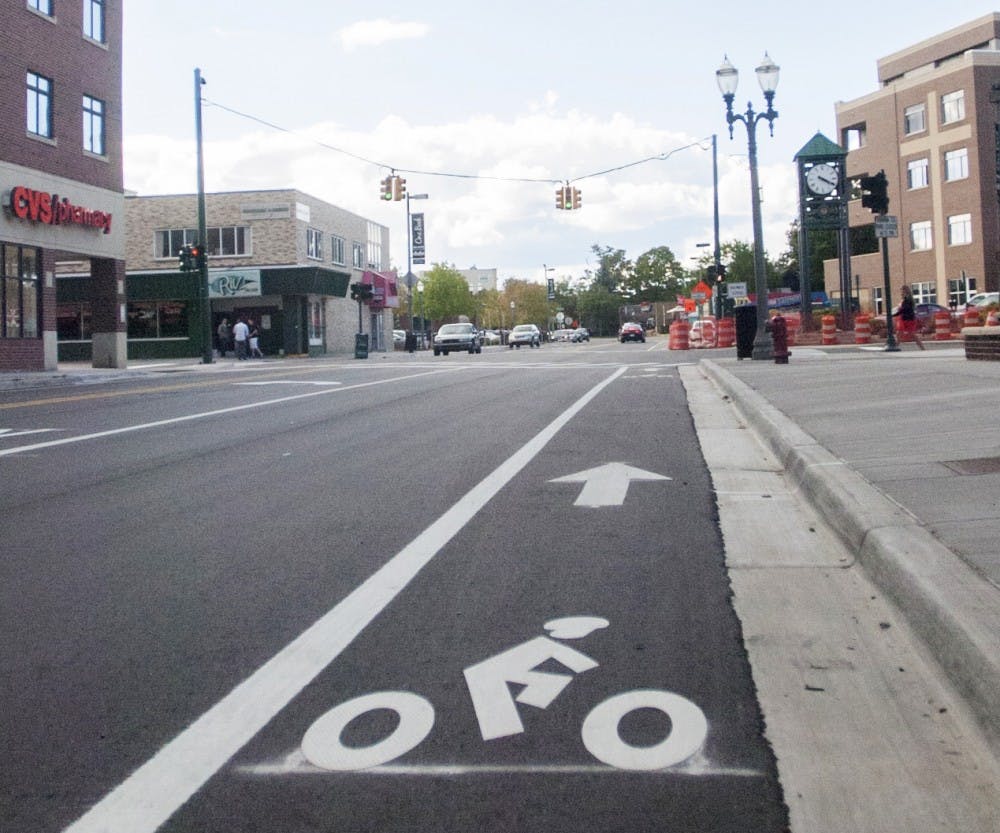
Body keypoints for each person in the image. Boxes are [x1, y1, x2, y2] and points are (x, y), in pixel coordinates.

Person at [892, 285, 925, 350]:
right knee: (899, 332)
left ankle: (922, 348)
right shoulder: (906, 299)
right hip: (905, 318)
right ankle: (896, 346)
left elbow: (904, 309)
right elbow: (903, 309)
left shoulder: (908, 299)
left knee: (911, 334)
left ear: (905, 291)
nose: (901, 292)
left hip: (909, 319)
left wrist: (894, 314)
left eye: (902, 291)